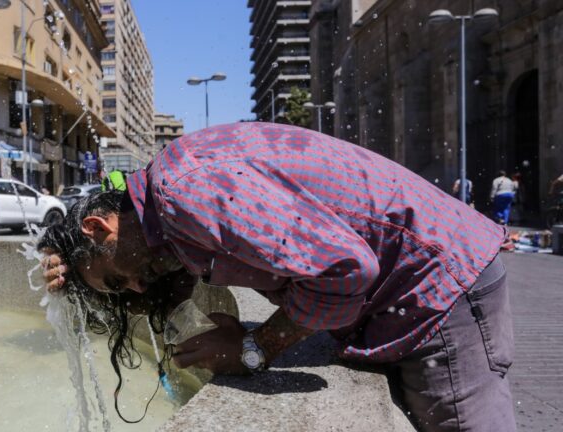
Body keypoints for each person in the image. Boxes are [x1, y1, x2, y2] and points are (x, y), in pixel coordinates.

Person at [40, 123, 515, 432]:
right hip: (423, 285)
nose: (137, 287)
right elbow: (171, 273)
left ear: (99, 226)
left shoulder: (185, 194)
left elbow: (346, 270)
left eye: (118, 280)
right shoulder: (168, 198)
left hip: (437, 288)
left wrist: (256, 347)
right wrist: (68, 267)